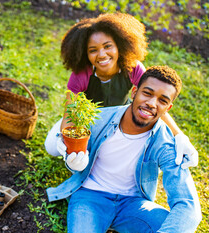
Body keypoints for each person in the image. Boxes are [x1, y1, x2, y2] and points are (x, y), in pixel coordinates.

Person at [46, 66, 202, 233]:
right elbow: (75, 154)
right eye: (147, 93)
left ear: (168, 108)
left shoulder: (167, 145)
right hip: (90, 197)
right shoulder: (99, 119)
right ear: (134, 92)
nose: (151, 103)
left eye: (162, 100)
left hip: (133, 205)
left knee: (176, 227)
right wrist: (71, 160)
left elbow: (188, 205)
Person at [44, 13, 198, 168]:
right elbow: (70, 114)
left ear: (119, 45)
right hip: (88, 122)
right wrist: (68, 142)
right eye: (93, 50)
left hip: (122, 119)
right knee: (52, 146)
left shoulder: (132, 67)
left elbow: (153, 102)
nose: (102, 54)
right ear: (85, 54)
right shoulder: (81, 75)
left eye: (107, 46)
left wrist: (179, 135)